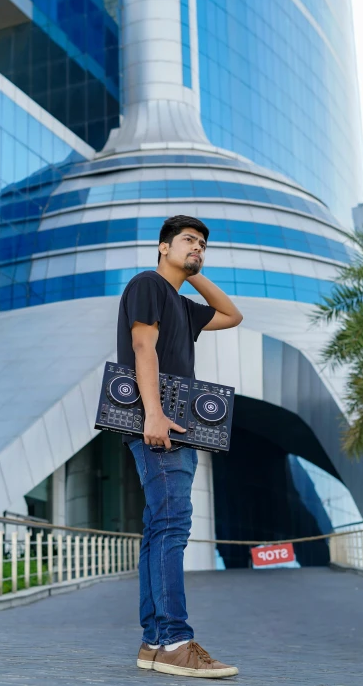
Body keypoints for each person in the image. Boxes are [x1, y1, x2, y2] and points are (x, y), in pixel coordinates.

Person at [117, 215, 243, 678]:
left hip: (173, 427)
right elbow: (142, 346)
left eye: (203, 245)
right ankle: (174, 639)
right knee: (172, 526)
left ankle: (154, 642)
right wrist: (153, 413)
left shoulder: (183, 303)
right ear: (162, 246)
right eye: (189, 241)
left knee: (159, 530)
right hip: (161, 426)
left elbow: (232, 316)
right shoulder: (148, 284)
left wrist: (192, 271)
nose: (198, 248)